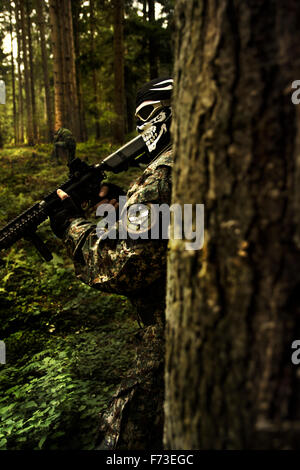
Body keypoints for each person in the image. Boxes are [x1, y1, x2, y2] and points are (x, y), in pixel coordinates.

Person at [49, 77, 174, 449]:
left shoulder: (167, 171)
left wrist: (72, 225)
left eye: (148, 115)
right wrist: (107, 202)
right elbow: (174, 232)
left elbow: (124, 265)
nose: (142, 128)